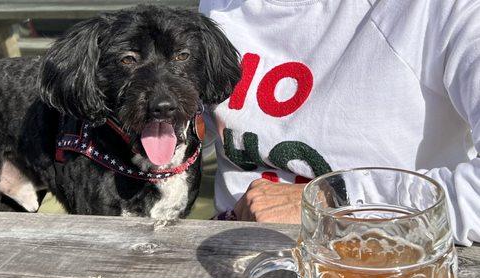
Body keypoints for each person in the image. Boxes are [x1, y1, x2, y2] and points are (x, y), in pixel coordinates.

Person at [200, 0, 480, 245]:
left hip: (385, 265)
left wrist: (334, 201)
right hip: (223, 251)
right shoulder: (217, 7)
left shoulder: (441, 10)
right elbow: (200, 128)